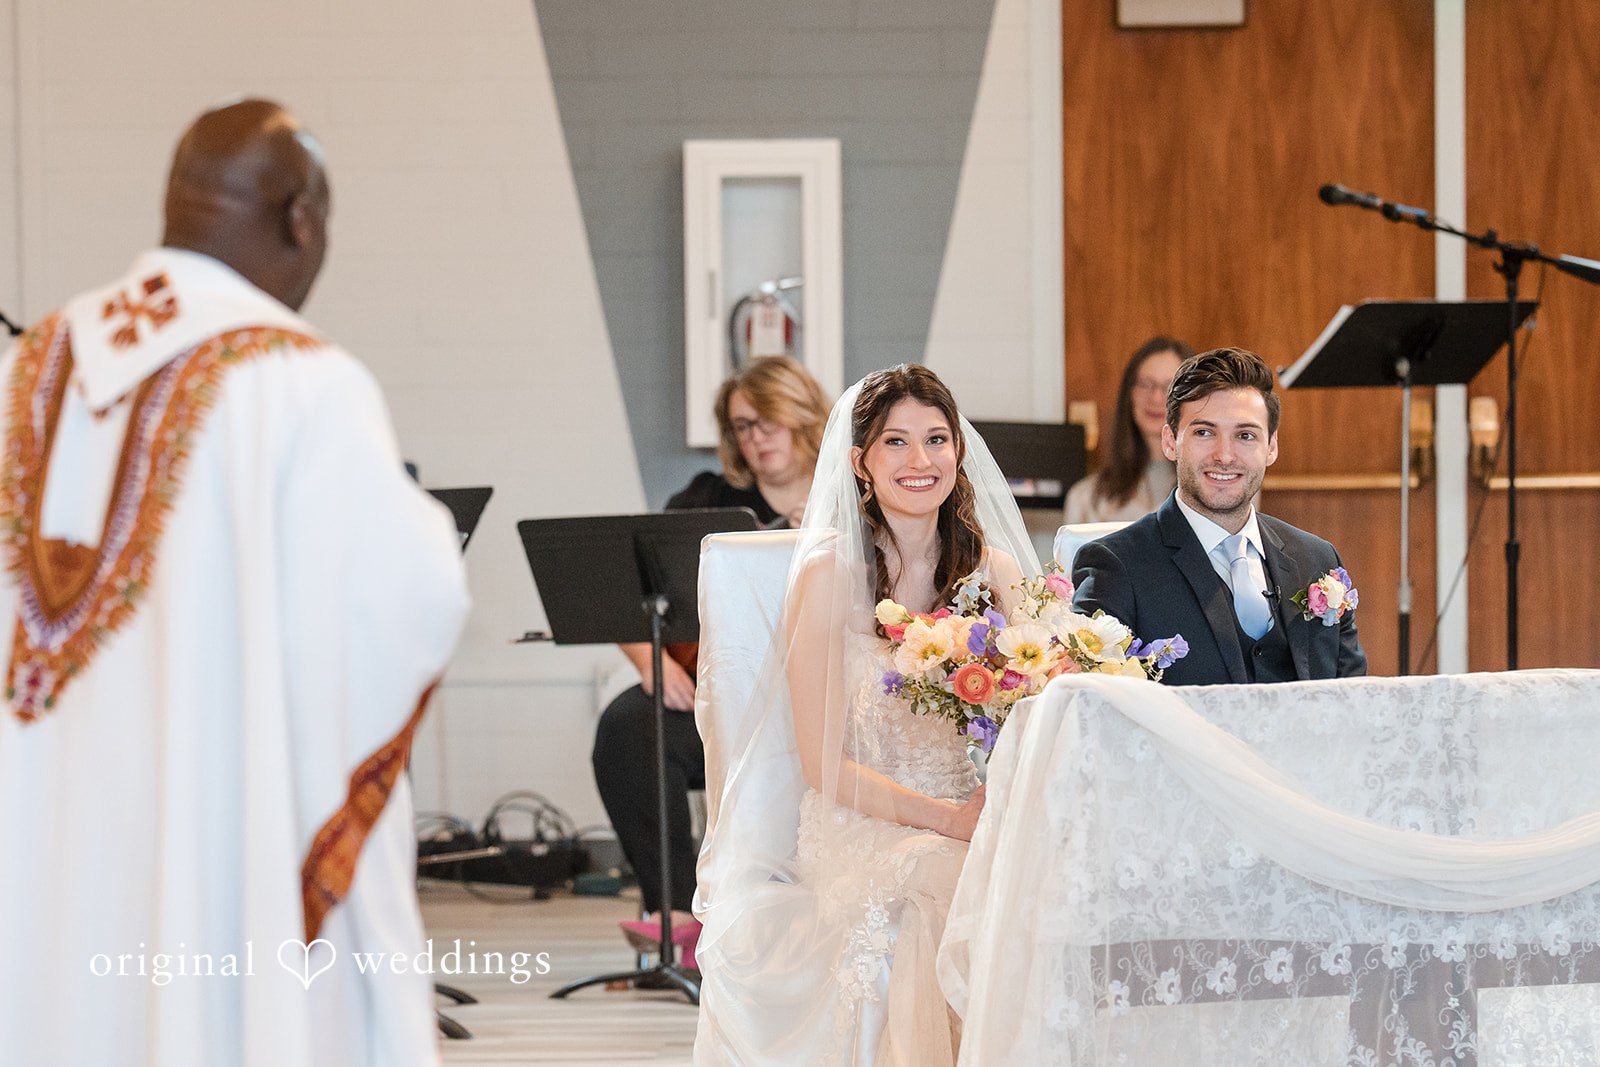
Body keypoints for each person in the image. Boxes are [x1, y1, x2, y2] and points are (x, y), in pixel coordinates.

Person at [0, 100, 469, 1066]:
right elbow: (410, 599)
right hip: (215, 851)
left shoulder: (24, 367)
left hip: (38, 857)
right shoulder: (301, 382)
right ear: (302, 218)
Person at [694, 364, 1038, 1065]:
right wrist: (948, 821)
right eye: (896, 443)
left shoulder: (996, 573)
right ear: (860, 462)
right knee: (950, 887)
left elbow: (1040, 705)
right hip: (863, 819)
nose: (921, 461)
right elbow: (821, 764)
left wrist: (996, 804)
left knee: (1035, 876)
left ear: (958, 453)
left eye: (937, 440)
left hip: (976, 810)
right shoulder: (830, 577)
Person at [592, 355, 828, 966]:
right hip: (716, 693)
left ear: (802, 416)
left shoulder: (850, 490)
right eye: (744, 427)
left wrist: (827, 537)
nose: (757, 439)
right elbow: (626, 589)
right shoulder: (703, 498)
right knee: (627, 729)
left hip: (816, 694)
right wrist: (650, 660)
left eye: (768, 421)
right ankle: (675, 917)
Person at [1072, 347, 1365, 685]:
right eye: (1204, 432)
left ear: (1271, 447)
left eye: (1245, 435)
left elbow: (1353, 698)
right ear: (1170, 442)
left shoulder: (1317, 559)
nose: (1224, 455)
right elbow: (1095, 710)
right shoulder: (1114, 565)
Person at [1062, 336, 1192, 524]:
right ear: (1129, 394)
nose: (1156, 397)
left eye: (1170, 387)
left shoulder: (1213, 491)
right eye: (1146, 384)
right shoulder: (1086, 498)